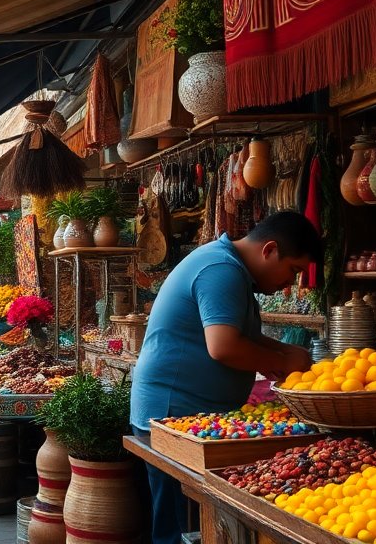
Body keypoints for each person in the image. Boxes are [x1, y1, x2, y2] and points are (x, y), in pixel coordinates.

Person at [131, 211, 321, 544]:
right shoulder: (222, 270)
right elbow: (223, 346)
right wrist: (281, 360)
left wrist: (285, 354)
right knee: (180, 530)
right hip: (172, 414)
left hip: (193, 416)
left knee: (192, 525)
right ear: (269, 250)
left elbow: (242, 335)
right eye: (293, 270)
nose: (289, 283)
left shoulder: (232, 269)